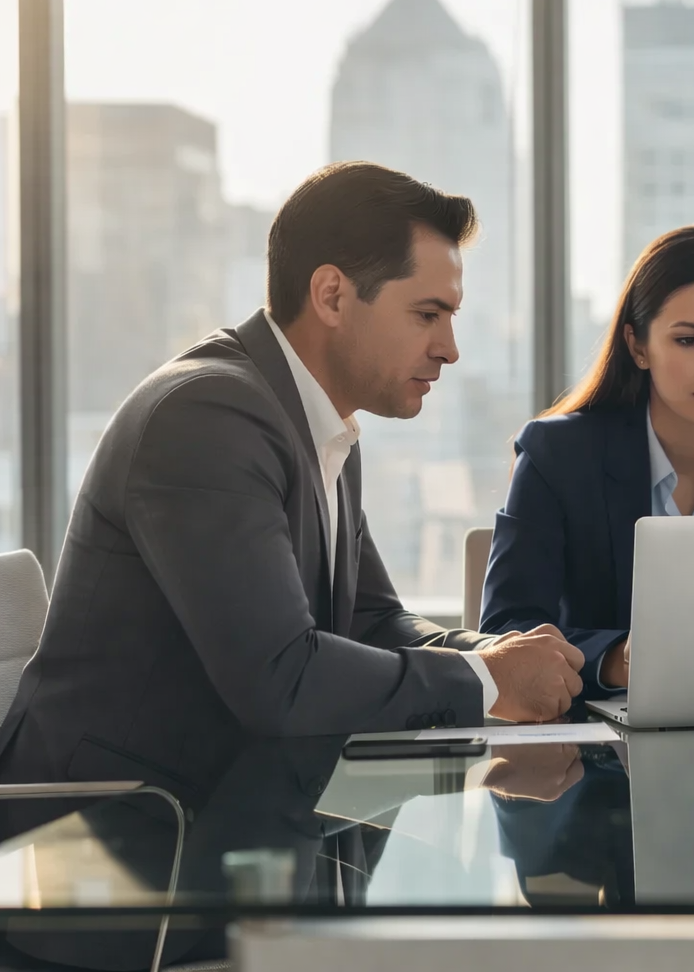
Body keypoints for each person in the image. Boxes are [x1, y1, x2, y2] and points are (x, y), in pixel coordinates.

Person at [0, 162, 585, 804]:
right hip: (105, 837)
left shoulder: (319, 423)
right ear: (332, 295)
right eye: (427, 314)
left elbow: (373, 620)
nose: (449, 348)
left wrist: (496, 652)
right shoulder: (207, 416)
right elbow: (282, 678)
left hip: (232, 813)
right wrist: (489, 680)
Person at [478, 226, 694, 698]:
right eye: (688, 340)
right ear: (638, 346)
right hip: (591, 752)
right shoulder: (557, 456)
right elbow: (506, 630)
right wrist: (619, 660)